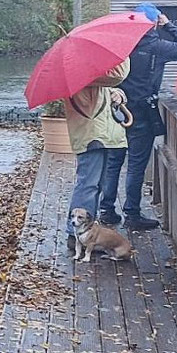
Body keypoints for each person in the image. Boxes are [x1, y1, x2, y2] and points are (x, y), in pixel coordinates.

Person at [104, 5, 177, 230]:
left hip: (117, 110)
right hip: (142, 112)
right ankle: (132, 214)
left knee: (113, 162)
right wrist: (169, 25)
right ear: (154, 23)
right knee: (136, 165)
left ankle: (106, 211)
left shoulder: (120, 44)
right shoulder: (156, 46)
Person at [63, 60, 131, 247]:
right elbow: (117, 76)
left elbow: (105, 89)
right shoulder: (78, 69)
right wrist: (124, 56)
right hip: (91, 135)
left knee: (96, 185)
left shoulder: (91, 72)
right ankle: (75, 236)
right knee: (88, 185)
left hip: (101, 135)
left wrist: (120, 95)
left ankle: (86, 234)